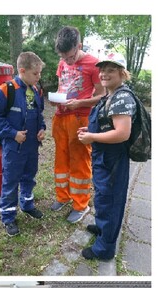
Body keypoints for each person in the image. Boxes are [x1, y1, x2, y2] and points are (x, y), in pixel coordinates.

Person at [77, 52, 138, 260]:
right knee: (103, 197)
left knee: (110, 200)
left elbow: (122, 133)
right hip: (104, 157)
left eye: (110, 70)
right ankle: (104, 229)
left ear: (122, 73)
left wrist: (92, 136)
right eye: (102, 69)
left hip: (112, 159)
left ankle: (105, 248)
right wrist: (91, 129)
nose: (104, 74)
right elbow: (108, 124)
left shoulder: (122, 97)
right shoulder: (110, 94)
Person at [0, 52, 46, 236]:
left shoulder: (36, 90)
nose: (39, 77)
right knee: (11, 181)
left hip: (31, 146)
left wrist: (42, 128)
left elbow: (40, 114)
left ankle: (27, 204)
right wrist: (13, 134)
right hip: (14, 148)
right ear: (22, 71)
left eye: (39, 73)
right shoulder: (6, 90)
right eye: (35, 73)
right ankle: (8, 216)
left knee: (29, 176)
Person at [50, 26, 104, 223]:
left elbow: (102, 96)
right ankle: (63, 197)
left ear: (79, 46)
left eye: (70, 57)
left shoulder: (94, 64)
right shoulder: (62, 62)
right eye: (63, 57)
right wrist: (55, 99)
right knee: (61, 159)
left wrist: (80, 103)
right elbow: (61, 86)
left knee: (80, 161)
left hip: (80, 118)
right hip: (60, 117)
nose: (67, 61)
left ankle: (81, 204)